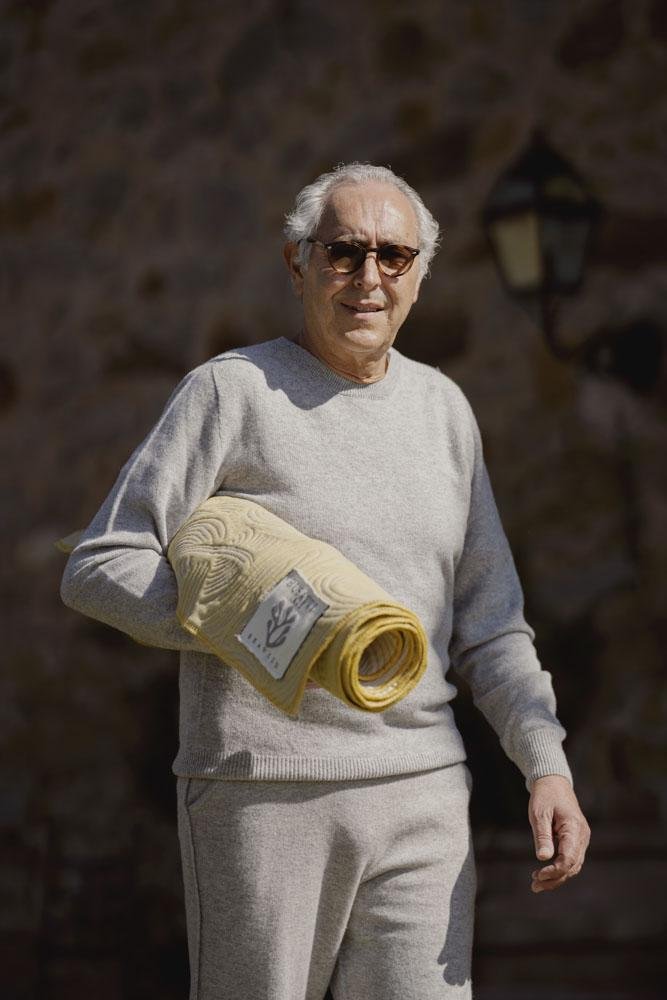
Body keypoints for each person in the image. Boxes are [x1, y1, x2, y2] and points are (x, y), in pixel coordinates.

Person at [60, 161, 591, 1000]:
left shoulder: (444, 411)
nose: (368, 277)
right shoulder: (231, 392)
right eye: (343, 252)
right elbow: (100, 564)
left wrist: (545, 766)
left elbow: (490, 624)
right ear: (297, 263)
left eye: (393, 255)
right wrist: (250, 619)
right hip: (264, 797)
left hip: (421, 793)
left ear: (419, 273)